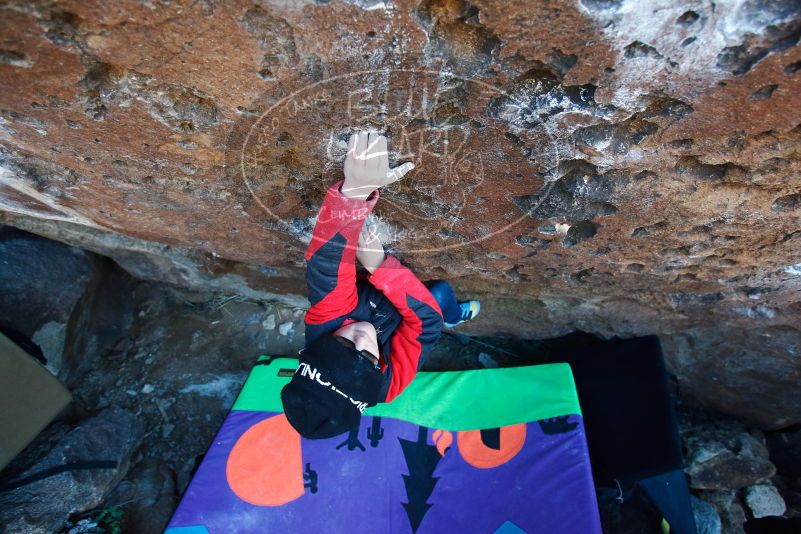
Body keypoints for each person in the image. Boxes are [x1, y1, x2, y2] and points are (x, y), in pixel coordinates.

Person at [280, 132, 480, 439]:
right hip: (403, 305)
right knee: (440, 297)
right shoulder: (385, 386)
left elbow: (327, 262)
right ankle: (455, 316)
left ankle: (452, 314)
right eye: (370, 358)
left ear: (321, 348)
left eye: (345, 345)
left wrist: (355, 193)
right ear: (376, 373)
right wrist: (379, 266)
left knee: (436, 298)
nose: (362, 339)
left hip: (390, 303)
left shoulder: (326, 323)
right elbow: (426, 325)